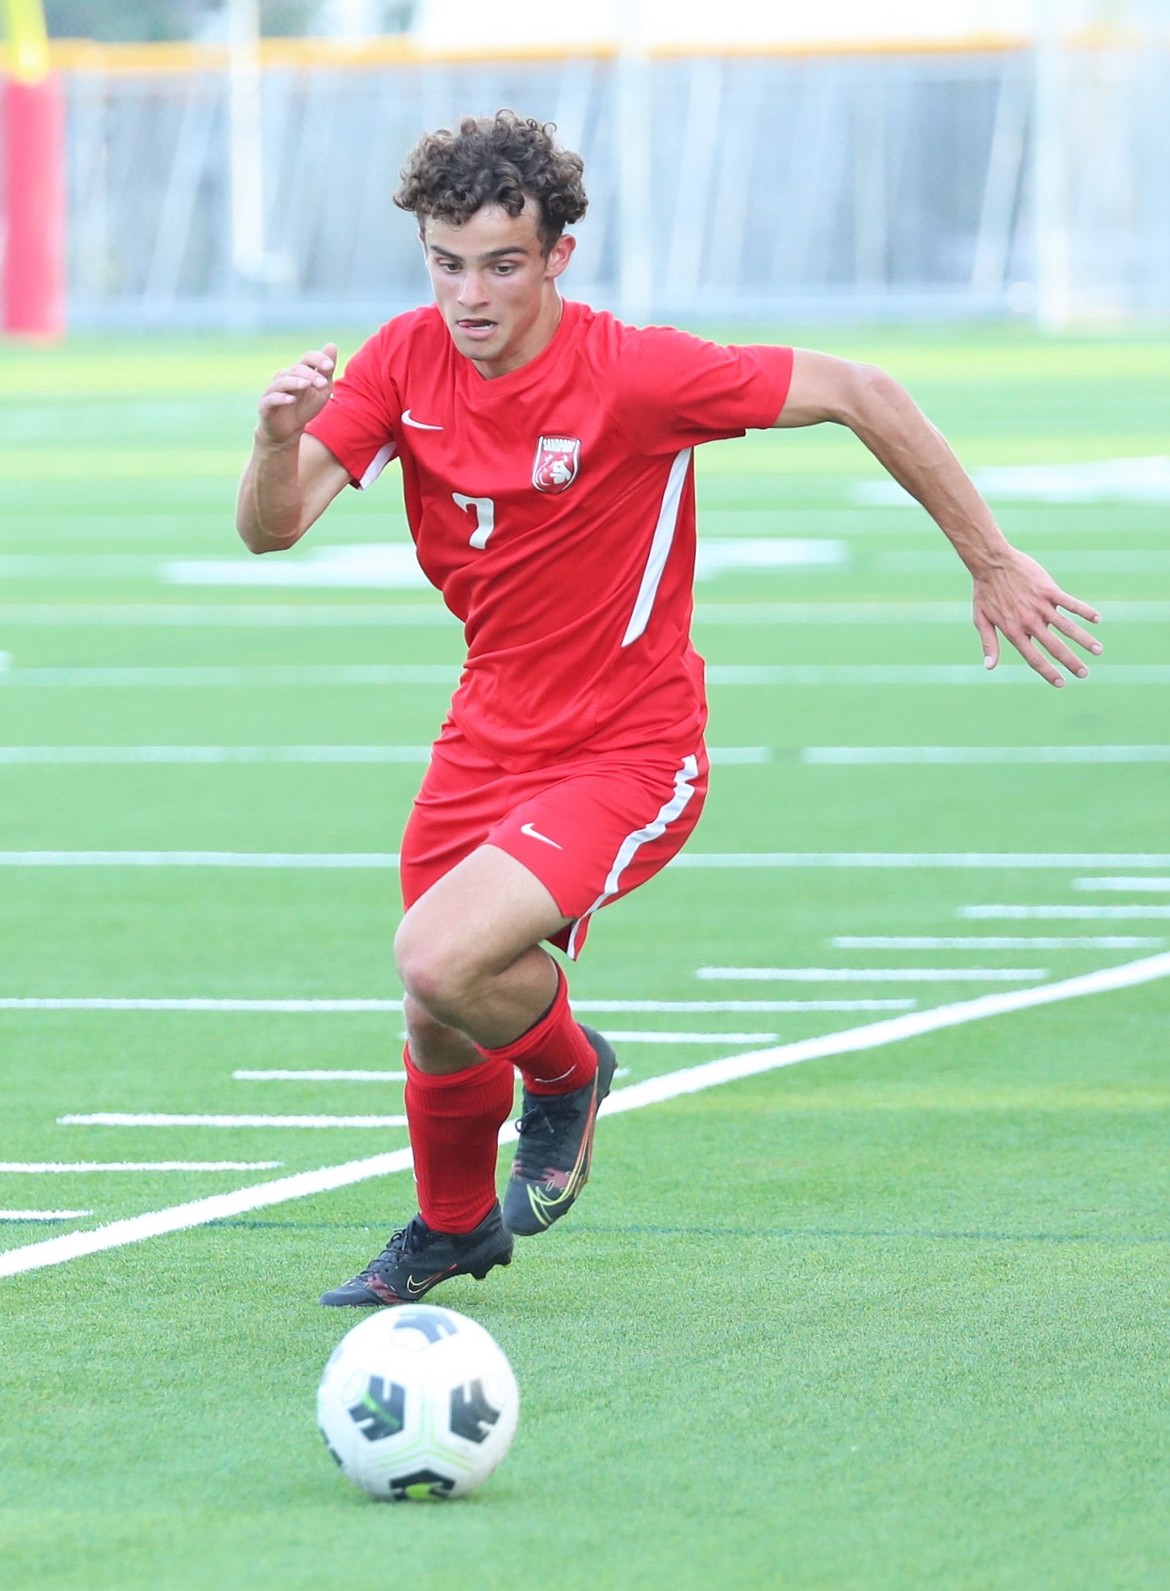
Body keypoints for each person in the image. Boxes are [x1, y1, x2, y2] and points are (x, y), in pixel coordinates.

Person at [236, 110, 1102, 1308]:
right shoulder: (400, 361)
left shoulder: (635, 374)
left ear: (557, 257)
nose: (469, 294)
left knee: (438, 955)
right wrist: (273, 440)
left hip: (627, 749)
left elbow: (860, 388)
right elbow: (273, 526)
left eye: (501, 263)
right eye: (445, 262)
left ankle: (572, 1073)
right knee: (440, 1008)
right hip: (484, 730)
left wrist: (992, 558)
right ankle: (449, 1230)